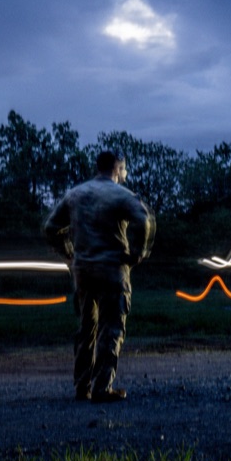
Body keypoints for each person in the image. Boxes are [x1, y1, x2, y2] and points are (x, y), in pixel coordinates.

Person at [44, 150, 155, 403]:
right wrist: (138, 253)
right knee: (111, 327)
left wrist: (69, 255)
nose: (125, 174)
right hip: (112, 269)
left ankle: (81, 386)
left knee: (86, 327)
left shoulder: (76, 194)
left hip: (83, 270)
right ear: (117, 168)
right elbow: (146, 222)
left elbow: (50, 227)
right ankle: (102, 387)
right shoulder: (122, 196)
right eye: (124, 169)